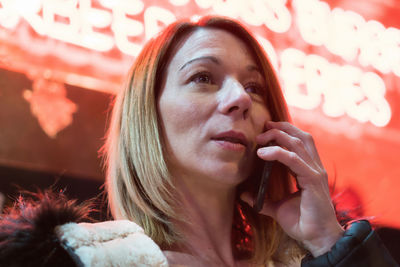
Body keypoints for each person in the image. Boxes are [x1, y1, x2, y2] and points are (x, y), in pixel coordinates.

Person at [0, 16, 397, 267]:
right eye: (203, 78)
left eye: (254, 87)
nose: (240, 98)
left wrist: (330, 242)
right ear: (147, 116)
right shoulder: (84, 260)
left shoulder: (307, 259)